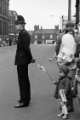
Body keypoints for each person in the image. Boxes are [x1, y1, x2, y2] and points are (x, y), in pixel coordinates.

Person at [54, 22, 77, 119]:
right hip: (68, 63)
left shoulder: (63, 36)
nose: (71, 28)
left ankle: (66, 106)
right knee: (66, 85)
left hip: (69, 63)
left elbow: (57, 49)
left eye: (72, 27)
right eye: (70, 27)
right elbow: (58, 48)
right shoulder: (75, 37)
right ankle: (67, 106)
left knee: (66, 85)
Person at [14, 15, 35, 108]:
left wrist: (31, 58)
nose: (16, 26)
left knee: (23, 81)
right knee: (23, 80)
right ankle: (25, 98)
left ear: (21, 25)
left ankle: (24, 101)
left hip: (22, 60)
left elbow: (27, 48)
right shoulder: (22, 33)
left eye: (17, 24)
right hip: (21, 60)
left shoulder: (24, 34)